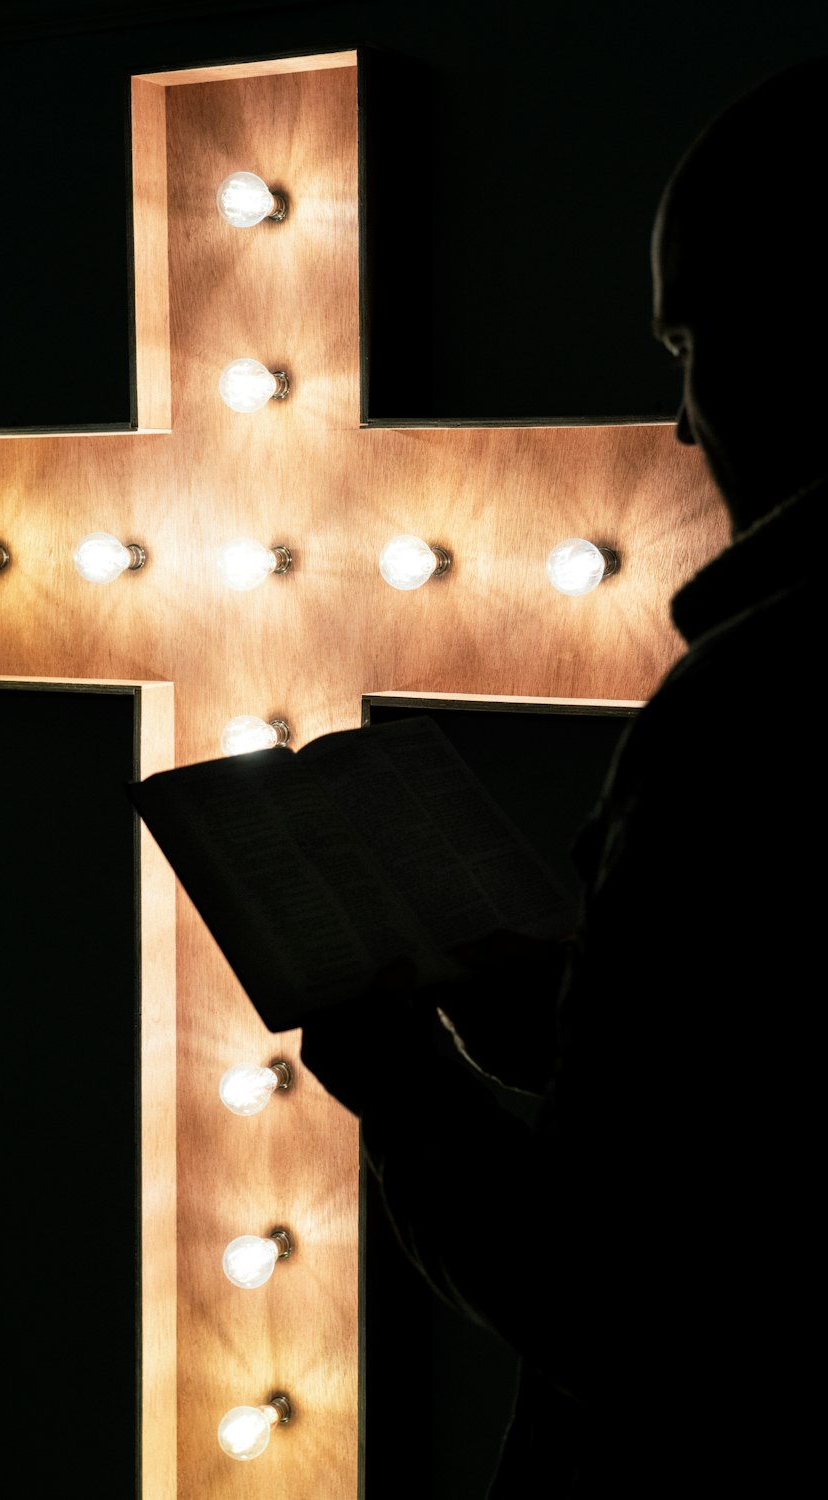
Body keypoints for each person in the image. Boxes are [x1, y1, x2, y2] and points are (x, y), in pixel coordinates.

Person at [301, 56, 826, 1496]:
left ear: (805, 331)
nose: (679, 422)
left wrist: (405, 1086)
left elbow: (633, 1306)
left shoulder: (756, 708)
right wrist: (561, 1019)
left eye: (687, 346)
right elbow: (756, 1096)